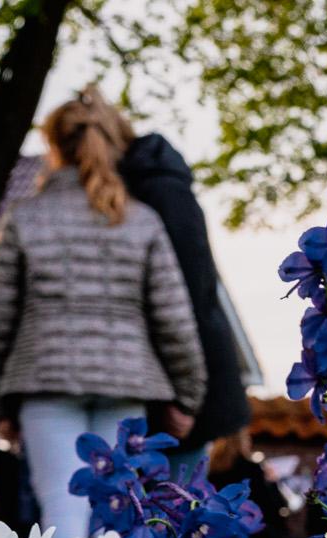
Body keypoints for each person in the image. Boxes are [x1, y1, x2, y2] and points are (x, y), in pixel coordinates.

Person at [0, 88, 206, 538]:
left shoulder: (25, 218)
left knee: (61, 510)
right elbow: (173, 318)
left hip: (44, 379)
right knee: (119, 514)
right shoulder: (140, 221)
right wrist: (187, 397)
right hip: (127, 382)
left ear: (53, 145)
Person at [120, 127, 251, 469]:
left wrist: (184, 397)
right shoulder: (165, 189)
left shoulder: (160, 193)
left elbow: (186, 299)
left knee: (175, 493)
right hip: (176, 382)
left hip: (179, 388)